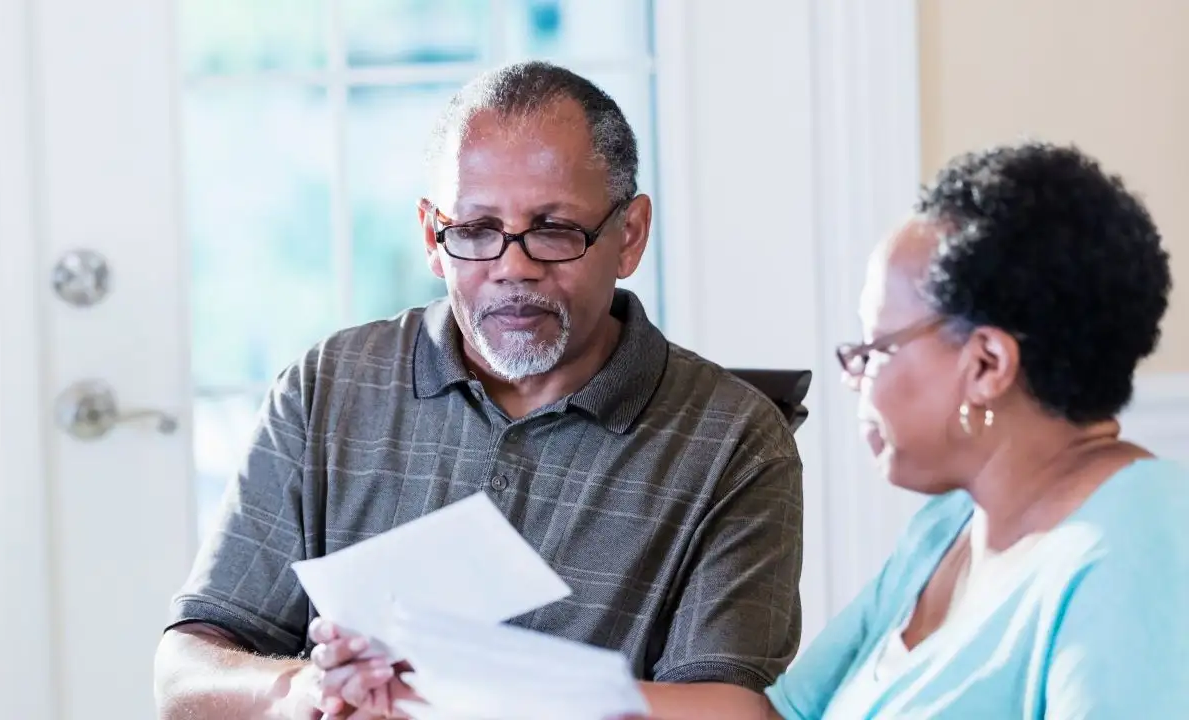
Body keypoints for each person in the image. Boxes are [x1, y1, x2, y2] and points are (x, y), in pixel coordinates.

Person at [153, 60, 805, 720]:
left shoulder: (734, 439)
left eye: (554, 230)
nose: (512, 266)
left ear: (628, 236)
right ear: (433, 238)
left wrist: (471, 694)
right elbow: (183, 676)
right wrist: (301, 693)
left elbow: (728, 710)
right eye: (474, 231)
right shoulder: (327, 388)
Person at [631, 140, 1189, 719]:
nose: (854, 377)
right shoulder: (946, 529)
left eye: (874, 349)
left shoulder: (1137, 547)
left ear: (987, 365)